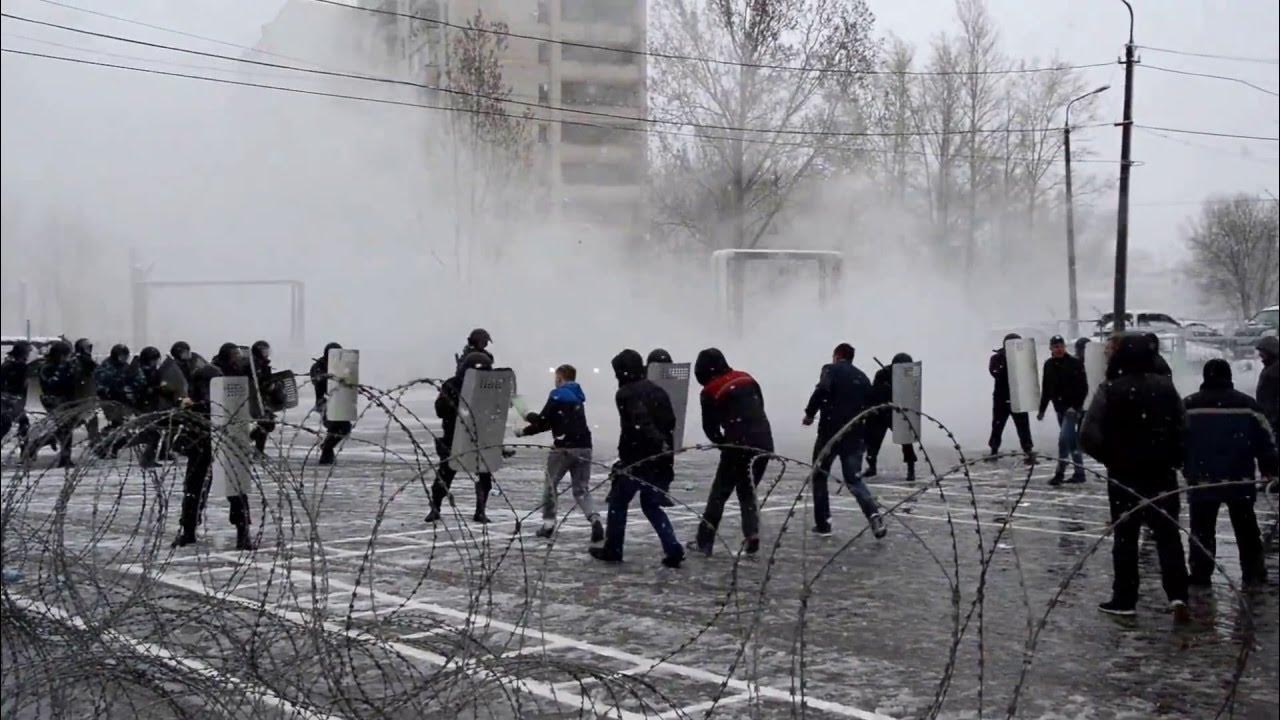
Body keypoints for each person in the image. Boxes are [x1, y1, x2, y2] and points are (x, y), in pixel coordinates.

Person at [1081, 333, 1190, 619]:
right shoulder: (1166, 389)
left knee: (1126, 537)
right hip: (1162, 473)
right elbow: (1184, 427)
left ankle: (1125, 598)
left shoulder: (1110, 390)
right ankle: (1178, 594)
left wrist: (1112, 458)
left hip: (1124, 476)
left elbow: (1088, 435)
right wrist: (1174, 457)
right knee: (1168, 536)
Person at [1182, 359, 1276, 587]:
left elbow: (1175, 438)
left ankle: (1200, 573)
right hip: (1239, 476)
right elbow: (1266, 440)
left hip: (1201, 478)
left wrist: (1183, 465)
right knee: (1246, 528)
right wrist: (1269, 469)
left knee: (1202, 528)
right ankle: (1253, 572)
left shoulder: (1188, 405)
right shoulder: (1247, 405)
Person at [589, 349, 684, 567]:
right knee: (651, 505)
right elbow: (670, 421)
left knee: (618, 502)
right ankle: (673, 547)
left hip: (637, 459)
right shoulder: (657, 390)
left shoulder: (626, 393)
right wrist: (664, 448)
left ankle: (613, 549)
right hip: (660, 459)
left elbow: (638, 422)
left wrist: (641, 450)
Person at [689, 348, 773, 556]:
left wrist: (723, 442)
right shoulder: (747, 378)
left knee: (719, 493)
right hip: (763, 443)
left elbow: (710, 428)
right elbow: (759, 407)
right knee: (747, 491)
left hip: (737, 444)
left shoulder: (710, 390)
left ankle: (704, 541)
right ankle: (752, 533)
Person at [173, 343, 255, 550]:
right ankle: (189, 530)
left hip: (223, 441)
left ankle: (242, 533)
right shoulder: (209, 378)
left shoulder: (232, 379)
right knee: (196, 488)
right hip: (204, 441)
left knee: (234, 488)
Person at [803, 343, 886, 538]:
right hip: (855, 434)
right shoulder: (862, 377)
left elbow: (821, 391)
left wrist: (809, 414)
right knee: (854, 479)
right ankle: (873, 514)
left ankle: (823, 523)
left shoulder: (830, 369)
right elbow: (872, 406)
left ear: (837, 355)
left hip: (830, 433)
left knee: (820, 475)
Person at [516, 364, 603, 542]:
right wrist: (525, 432)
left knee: (550, 486)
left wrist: (525, 413)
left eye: (556, 377)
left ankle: (548, 525)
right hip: (585, 447)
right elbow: (551, 423)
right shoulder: (578, 396)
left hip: (563, 448)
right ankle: (594, 519)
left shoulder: (558, 394)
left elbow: (542, 420)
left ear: (560, 377)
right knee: (581, 489)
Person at [425, 351, 496, 524]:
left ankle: (480, 510)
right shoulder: (452, 385)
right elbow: (440, 410)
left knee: (484, 477)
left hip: (480, 436)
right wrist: (456, 405)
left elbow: (497, 409)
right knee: (445, 475)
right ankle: (435, 507)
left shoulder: (490, 385)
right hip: (454, 436)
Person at [1037, 335, 1089, 486]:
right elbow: (1046, 389)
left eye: (1061, 346)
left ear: (1065, 347)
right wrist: (1042, 410)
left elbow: (1083, 387)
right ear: (1051, 348)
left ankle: (1060, 472)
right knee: (1071, 440)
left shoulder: (1074, 363)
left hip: (1072, 409)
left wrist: (1076, 406)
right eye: (1055, 346)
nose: (1059, 349)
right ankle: (1080, 473)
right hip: (1060, 408)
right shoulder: (1048, 365)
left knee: (1063, 439)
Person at [865, 352, 918, 483]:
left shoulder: (910, 373)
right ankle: (872, 467)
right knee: (873, 441)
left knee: (906, 440)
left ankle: (911, 468)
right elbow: (875, 393)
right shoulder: (882, 374)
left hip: (898, 412)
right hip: (880, 412)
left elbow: (912, 393)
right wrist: (888, 388)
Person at [988, 333, 1034, 464]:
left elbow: (1028, 375)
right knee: (997, 425)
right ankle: (994, 449)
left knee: (1023, 426)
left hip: (1018, 397)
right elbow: (995, 373)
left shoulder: (1022, 358)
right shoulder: (997, 358)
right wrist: (1007, 361)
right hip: (1001, 397)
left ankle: (1027, 450)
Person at [92, 344, 140, 459]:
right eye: (122, 356)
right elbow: (105, 382)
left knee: (121, 426)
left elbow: (131, 379)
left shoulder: (124, 366)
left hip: (122, 400)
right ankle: (104, 446)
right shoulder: (106, 367)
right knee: (119, 425)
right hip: (110, 400)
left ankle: (107, 446)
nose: (124, 358)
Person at [309, 342, 353, 466]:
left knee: (344, 427)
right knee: (335, 426)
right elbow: (317, 380)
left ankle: (327, 450)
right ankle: (326, 452)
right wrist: (326, 377)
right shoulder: (319, 366)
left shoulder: (342, 367)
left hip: (339, 403)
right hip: (325, 403)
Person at [37, 340, 79, 468]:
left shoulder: (67, 366)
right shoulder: (46, 367)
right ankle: (64, 458)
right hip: (53, 400)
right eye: (65, 355)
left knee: (66, 428)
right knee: (65, 428)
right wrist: (61, 370)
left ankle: (43, 442)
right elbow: (51, 385)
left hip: (66, 400)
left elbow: (72, 383)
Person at [246, 340, 285, 455]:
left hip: (262, 398)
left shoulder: (261, 363)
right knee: (265, 423)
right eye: (264, 351)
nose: (267, 353)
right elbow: (257, 382)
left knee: (267, 424)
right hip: (255, 399)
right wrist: (270, 386)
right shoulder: (253, 365)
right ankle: (257, 450)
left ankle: (248, 443)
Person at [1, 342, 33, 444]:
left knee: (22, 423)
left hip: (11, 401)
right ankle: (25, 451)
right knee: (8, 423)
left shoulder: (8, 364)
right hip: (10, 402)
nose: (29, 355)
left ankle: (25, 450)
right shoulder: (18, 367)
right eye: (28, 352)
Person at [1256, 336, 1279, 440]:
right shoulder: (1270, 367)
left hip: (1273, 421)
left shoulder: (1274, 371)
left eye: (1262, 351)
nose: (1260, 355)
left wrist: (1272, 420)